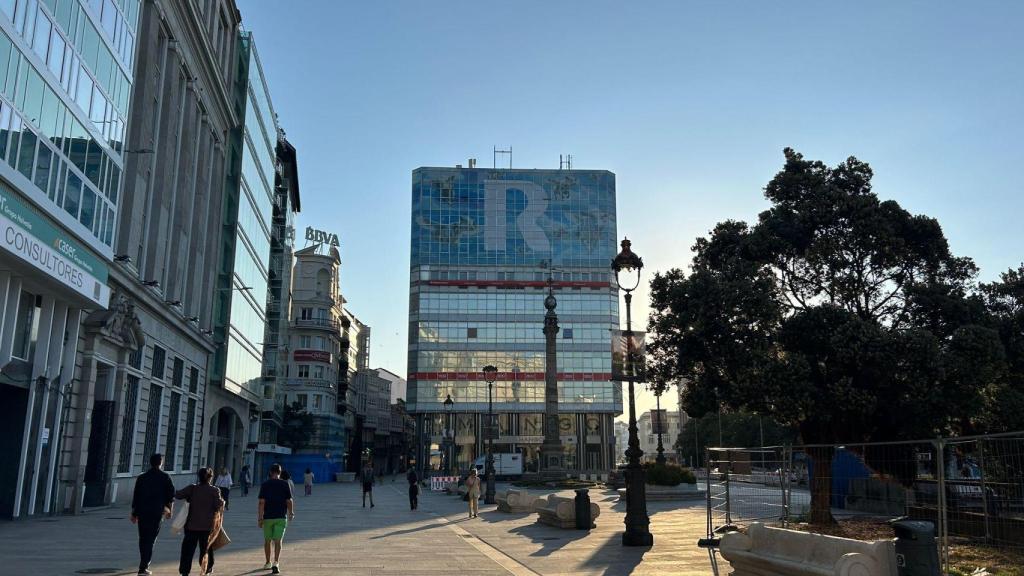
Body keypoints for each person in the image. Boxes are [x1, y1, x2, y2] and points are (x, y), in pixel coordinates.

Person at [130, 453, 175, 576]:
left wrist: (134, 513)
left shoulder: (142, 477)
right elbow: (171, 496)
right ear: (161, 463)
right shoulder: (165, 477)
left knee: (143, 538)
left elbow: (136, 496)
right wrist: (170, 510)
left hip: (142, 512)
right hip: (157, 512)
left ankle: (143, 564)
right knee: (151, 539)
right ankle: (143, 567)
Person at [175, 467, 225, 576]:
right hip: (207, 528)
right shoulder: (215, 491)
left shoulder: (192, 488)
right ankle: (207, 569)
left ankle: (184, 572)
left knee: (187, 551)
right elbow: (218, 506)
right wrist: (222, 502)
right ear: (210, 478)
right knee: (206, 550)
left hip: (191, 527)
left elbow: (178, 495)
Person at [259, 463, 295, 575]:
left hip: (268, 517)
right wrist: (291, 513)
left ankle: (267, 562)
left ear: (270, 472)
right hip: (281, 516)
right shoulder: (285, 484)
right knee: (278, 541)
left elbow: (261, 502)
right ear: (280, 472)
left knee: (267, 541)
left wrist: (260, 518)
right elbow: (289, 500)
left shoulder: (265, 484)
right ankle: (276, 562)